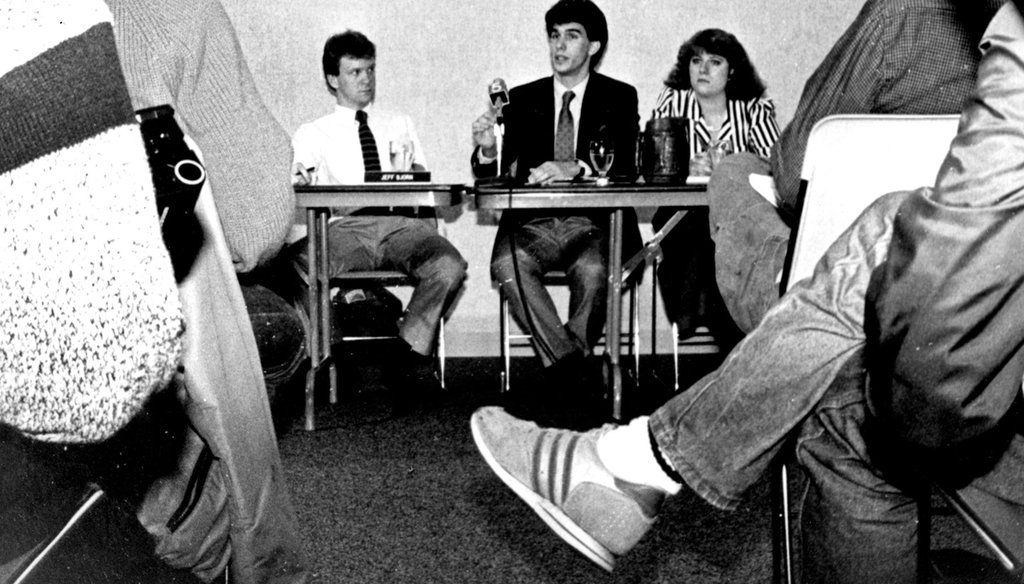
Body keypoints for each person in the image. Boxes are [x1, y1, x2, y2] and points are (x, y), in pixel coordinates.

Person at [469, 3, 1024, 582]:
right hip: (982, 351)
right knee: (850, 391)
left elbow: (791, 173)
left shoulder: (918, 16)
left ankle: (635, 461)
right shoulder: (549, 98)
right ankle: (621, 442)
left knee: (767, 202)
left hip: (942, 350)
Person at [104, 1, 310, 582]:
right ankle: (178, 537)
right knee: (273, 332)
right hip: (116, 323)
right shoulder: (172, 14)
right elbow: (256, 228)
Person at [709, 0, 1006, 335]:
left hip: (849, 289)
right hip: (977, 290)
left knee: (735, 170)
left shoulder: (898, 14)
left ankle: (788, 324)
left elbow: (793, 181)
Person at [470, 0, 640, 427]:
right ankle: (575, 373)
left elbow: (628, 167)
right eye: (554, 35)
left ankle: (559, 378)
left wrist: (576, 166)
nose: (559, 45)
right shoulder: (523, 99)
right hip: (533, 224)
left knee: (597, 271)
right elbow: (498, 175)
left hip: (592, 226)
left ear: (594, 45)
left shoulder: (619, 96)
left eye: (572, 35)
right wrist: (487, 149)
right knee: (507, 265)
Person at [291, 30, 468, 400]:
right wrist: (300, 177)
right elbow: (299, 184)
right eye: (355, 72)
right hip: (346, 227)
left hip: (400, 224)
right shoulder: (312, 133)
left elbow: (421, 183)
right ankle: (333, 352)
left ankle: (408, 352)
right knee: (297, 267)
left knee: (449, 265)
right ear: (332, 79)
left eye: (370, 70)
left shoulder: (399, 123)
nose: (366, 79)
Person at [648, 29, 779, 342]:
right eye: (696, 61)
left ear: (732, 71)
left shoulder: (753, 109)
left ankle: (698, 312)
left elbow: (773, 168)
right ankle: (707, 316)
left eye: (714, 62)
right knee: (701, 234)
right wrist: (683, 165)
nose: (702, 69)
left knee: (721, 238)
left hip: (737, 215)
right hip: (682, 213)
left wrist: (729, 169)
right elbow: (655, 165)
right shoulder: (673, 102)